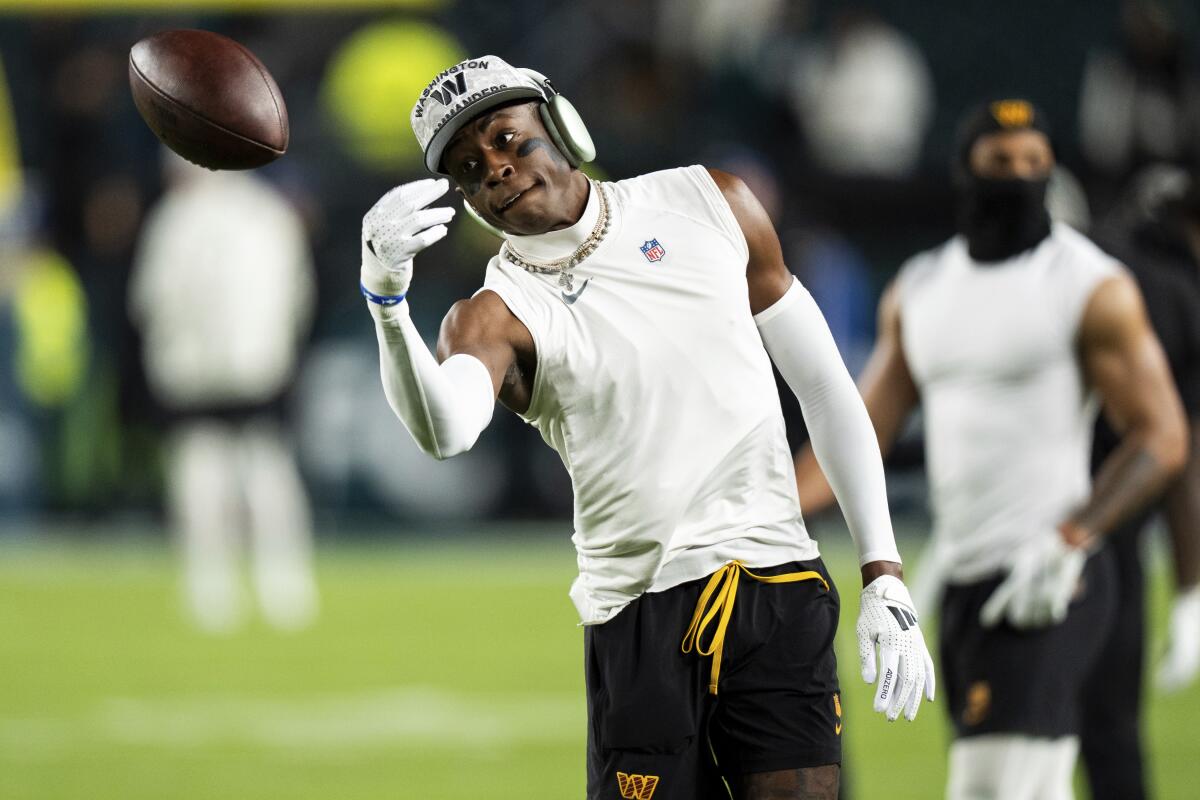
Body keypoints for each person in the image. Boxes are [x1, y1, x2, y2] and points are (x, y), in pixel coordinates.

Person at [360, 56, 935, 800]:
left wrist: (883, 574)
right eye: (471, 169)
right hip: (641, 614)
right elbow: (445, 430)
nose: (496, 170)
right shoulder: (490, 313)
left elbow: (825, 389)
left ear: (563, 127)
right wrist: (386, 303)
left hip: (777, 583)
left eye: (509, 140)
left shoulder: (712, 202)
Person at [793, 99, 1188, 800]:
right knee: (1024, 788)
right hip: (966, 576)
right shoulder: (922, 288)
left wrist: (1075, 535)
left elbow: (1162, 436)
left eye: (1035, 163)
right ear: (965, 171)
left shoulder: (1089, 285)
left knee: (995, 789)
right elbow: (857, 434)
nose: (1020, 176)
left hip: (1052, 578)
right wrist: (773, 508)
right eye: (1002, 162)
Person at [130, 154, 318, 633]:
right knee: (266, 464)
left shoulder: (174, 218)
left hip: (191, 370)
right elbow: (298, 294)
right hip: (259, 365)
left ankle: (210, 587)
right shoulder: (270, 213)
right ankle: (285, 584)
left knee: (201, 466)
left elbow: (151, 299)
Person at [1079, 165, 1200, 800]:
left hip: (1018, 519)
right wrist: (1191, 586)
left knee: (1013, 742)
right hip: (1107, 528)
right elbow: (1179, 448)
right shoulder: (1179, 292)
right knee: (1111, 733)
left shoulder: (1085, 262)